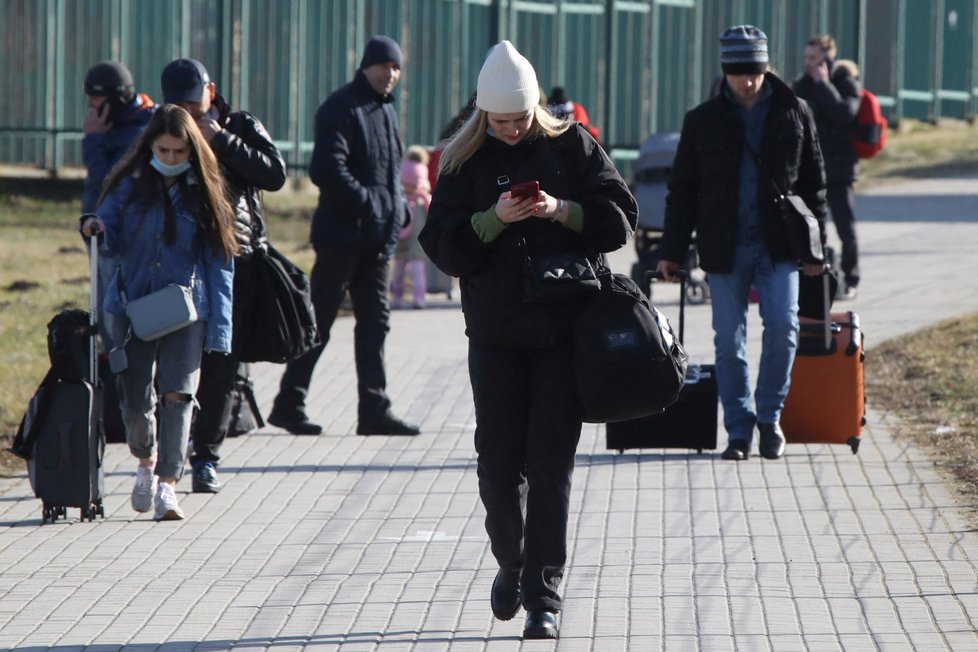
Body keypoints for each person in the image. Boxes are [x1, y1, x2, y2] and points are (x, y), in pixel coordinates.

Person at [420, 41, 637, 639]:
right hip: (496, 335)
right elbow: (441, 246)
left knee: (550, 469)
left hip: (565, 332)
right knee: (497, 468)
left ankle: (543, 592)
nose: (513, 131)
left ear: (536, 108)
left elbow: (620, 219)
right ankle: (512, 563)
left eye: (521, 119)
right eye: (501, 121)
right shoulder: (461, 162)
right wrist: (493, 221)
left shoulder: (572, 144)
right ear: (482, 116)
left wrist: (560, 210)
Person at [655, 25, 828, 462]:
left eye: (754, 71)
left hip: (781, 245)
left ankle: (769, 417)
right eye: (737, 72)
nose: (747, 81)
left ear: (766, 67)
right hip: (724, 246)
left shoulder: (795, 111)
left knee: (785, 329)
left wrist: (817, 250)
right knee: (728, 340)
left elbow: (815, 185)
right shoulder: (702, 121)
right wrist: (672, 252)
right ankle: (738, 429)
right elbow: (682, 191)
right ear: (724, 71)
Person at [80, 104, 237, 521]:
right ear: (150, 145)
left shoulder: (205, 192)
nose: (170, 159)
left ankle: (168, 485)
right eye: (163, 150)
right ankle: (144, 461)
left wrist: (221, 329)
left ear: (192, 151)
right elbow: (105, 228)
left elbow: (220, 264)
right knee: (135, 399)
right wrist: (95, 226)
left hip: (188, 310)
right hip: (130, 309)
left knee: (178, 394)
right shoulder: (129, 185)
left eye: (179, 152)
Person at [268, 35, 419, 437]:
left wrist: (397, 206)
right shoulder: (341, 108)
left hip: (377, 240)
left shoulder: (385, 110)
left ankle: (374, 410)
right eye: (384, 65)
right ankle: (289, 403)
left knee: (375, 324)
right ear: (366, 66)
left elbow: (387, 169)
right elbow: (327, 169)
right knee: (319, 321)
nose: (390, 74)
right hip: (342, 238)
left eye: (396, 67)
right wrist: (371, 203)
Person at [160, 58, 287, 493]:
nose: (191, 116)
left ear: (211, 93)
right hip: (180, 265)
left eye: (196, 107)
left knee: (222, 365)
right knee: (175, 365)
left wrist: (223, 140)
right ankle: (164, 455)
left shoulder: (239, 125)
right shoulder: (163, 130)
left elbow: (275, 174)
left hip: (238, 263)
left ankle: (206, 458)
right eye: (182, 108)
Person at [82, 61, 156, 350]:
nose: (91, 108)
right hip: (98, 232)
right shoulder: (112, 127)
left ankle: (124, 376)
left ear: (115, 99)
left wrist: (93, 140)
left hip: (118, 236)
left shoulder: (137, 132)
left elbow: (108, 184)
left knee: (114, 315)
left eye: (97, 101)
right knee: (102, 310)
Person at [792, 34, 862, 300]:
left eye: (814, 59)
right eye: (806, 58)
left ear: (828, 58)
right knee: (811, 226)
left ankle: (850, 277)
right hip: (810, 171)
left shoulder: (845, 83)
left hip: (839, 169)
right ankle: (816, 275)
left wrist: (824, 85)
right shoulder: (801, 85)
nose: (809, 64)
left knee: (846, 228)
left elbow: (845, 113)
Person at [391, 146, 431, 309]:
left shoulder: (420, 201)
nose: (408, 188)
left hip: (414, 239)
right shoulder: (405, 200)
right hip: (406, 239)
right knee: (401, 269)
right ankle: (401, 297)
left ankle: (416, 296)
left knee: (413, 269)